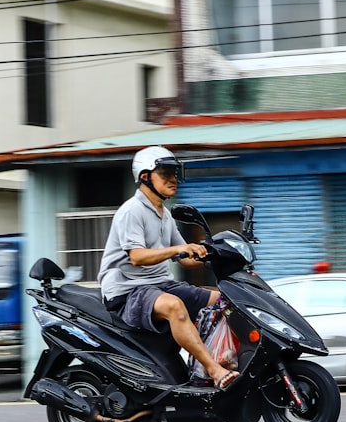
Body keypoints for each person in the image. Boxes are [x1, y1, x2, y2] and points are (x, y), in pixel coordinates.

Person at [97, 146, 240, 389]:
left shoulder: (164, 215)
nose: (173, 179)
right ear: (145, 177)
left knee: (225, 301)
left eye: (174, 173)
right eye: (165, 173)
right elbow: (137, 257)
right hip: (128, 291)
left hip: (159, 285)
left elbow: (184, 258)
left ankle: (224, 358)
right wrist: (176, 251)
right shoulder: (132, 211)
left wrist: (214, 254)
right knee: (174, 306)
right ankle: (213, 369)